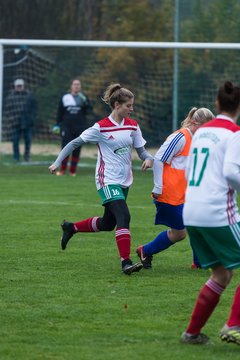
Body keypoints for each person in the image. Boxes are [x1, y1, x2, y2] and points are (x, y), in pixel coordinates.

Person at [49, 83, 153, 275]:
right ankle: (126, 262)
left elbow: (141, 151)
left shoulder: (133, 125)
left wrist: (147, 158)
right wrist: (57, 162)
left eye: (132, 105)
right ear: (116, 105)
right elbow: (74, 143)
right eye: (129, 105)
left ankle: (71, 228)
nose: (132, 109)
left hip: (124, 181)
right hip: (106, 179)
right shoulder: (101, 127)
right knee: (124, 216)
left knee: (108, 223)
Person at [181, 81, 240, 345]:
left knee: (222, 273)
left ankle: (191, 334)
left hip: (191, 210)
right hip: (217, 212)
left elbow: (187, 169)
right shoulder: (235, 133)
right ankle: (233, 326)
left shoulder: (201, 132)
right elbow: (230, 171)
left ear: (216, 104)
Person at [136, 107, 214, 269]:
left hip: (185, 195)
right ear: (194, 122)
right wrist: (158, 186)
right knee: (180, 233)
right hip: (168, 194)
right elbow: (158, 160)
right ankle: (145, 250)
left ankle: (199, 263)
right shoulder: (180, 137)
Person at [53, 78, 92, 176]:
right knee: (65, 147)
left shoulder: (83, 98)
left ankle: (72, 171)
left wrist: (86, 103)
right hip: (66, 127)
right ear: (71, 86)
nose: (77, 86)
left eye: (78, 84)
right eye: (75, 84)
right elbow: (60, 112)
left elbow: (89, 111)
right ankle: (62, 170)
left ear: (80, 86)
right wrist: (57, 124)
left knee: (77, 148)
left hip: (79, 127)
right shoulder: (65, 97)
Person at [5, 78, 37, 162]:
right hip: (16, 123)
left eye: (20, 86)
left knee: (28, 140)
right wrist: (11, 119)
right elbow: (8, 110)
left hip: (27, 122)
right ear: (15, 86)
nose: (19, 87)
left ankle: (27, 156)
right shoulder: (11, 97)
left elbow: (34, 108)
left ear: (23, 86)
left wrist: (31, 119)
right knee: (15, 141)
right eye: (17, 86)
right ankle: (16, 157)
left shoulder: (29, 96)